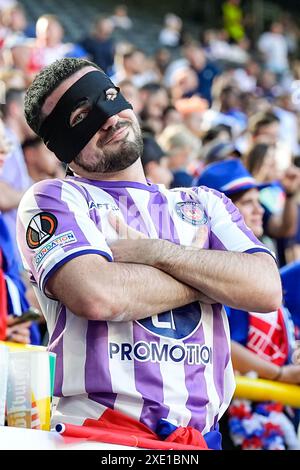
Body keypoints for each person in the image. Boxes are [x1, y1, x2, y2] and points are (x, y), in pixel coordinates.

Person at [17, 57, 281, 449]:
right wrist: (212, 283)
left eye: (109, 98)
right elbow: (97, 294)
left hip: (200, 441)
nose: (107, 119)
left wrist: (156, 253)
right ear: (61, 148)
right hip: (99, 438)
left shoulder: (204, 202)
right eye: (80, 117)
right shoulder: (55, 199)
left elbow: (264, 289)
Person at [196, 159, 300, 449]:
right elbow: (221, 342)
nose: (258, 210)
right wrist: (278, 374)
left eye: (258, 201)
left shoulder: (261, 265)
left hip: (275, 410)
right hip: (235, 417)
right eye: (247, 202)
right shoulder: (210, 266)